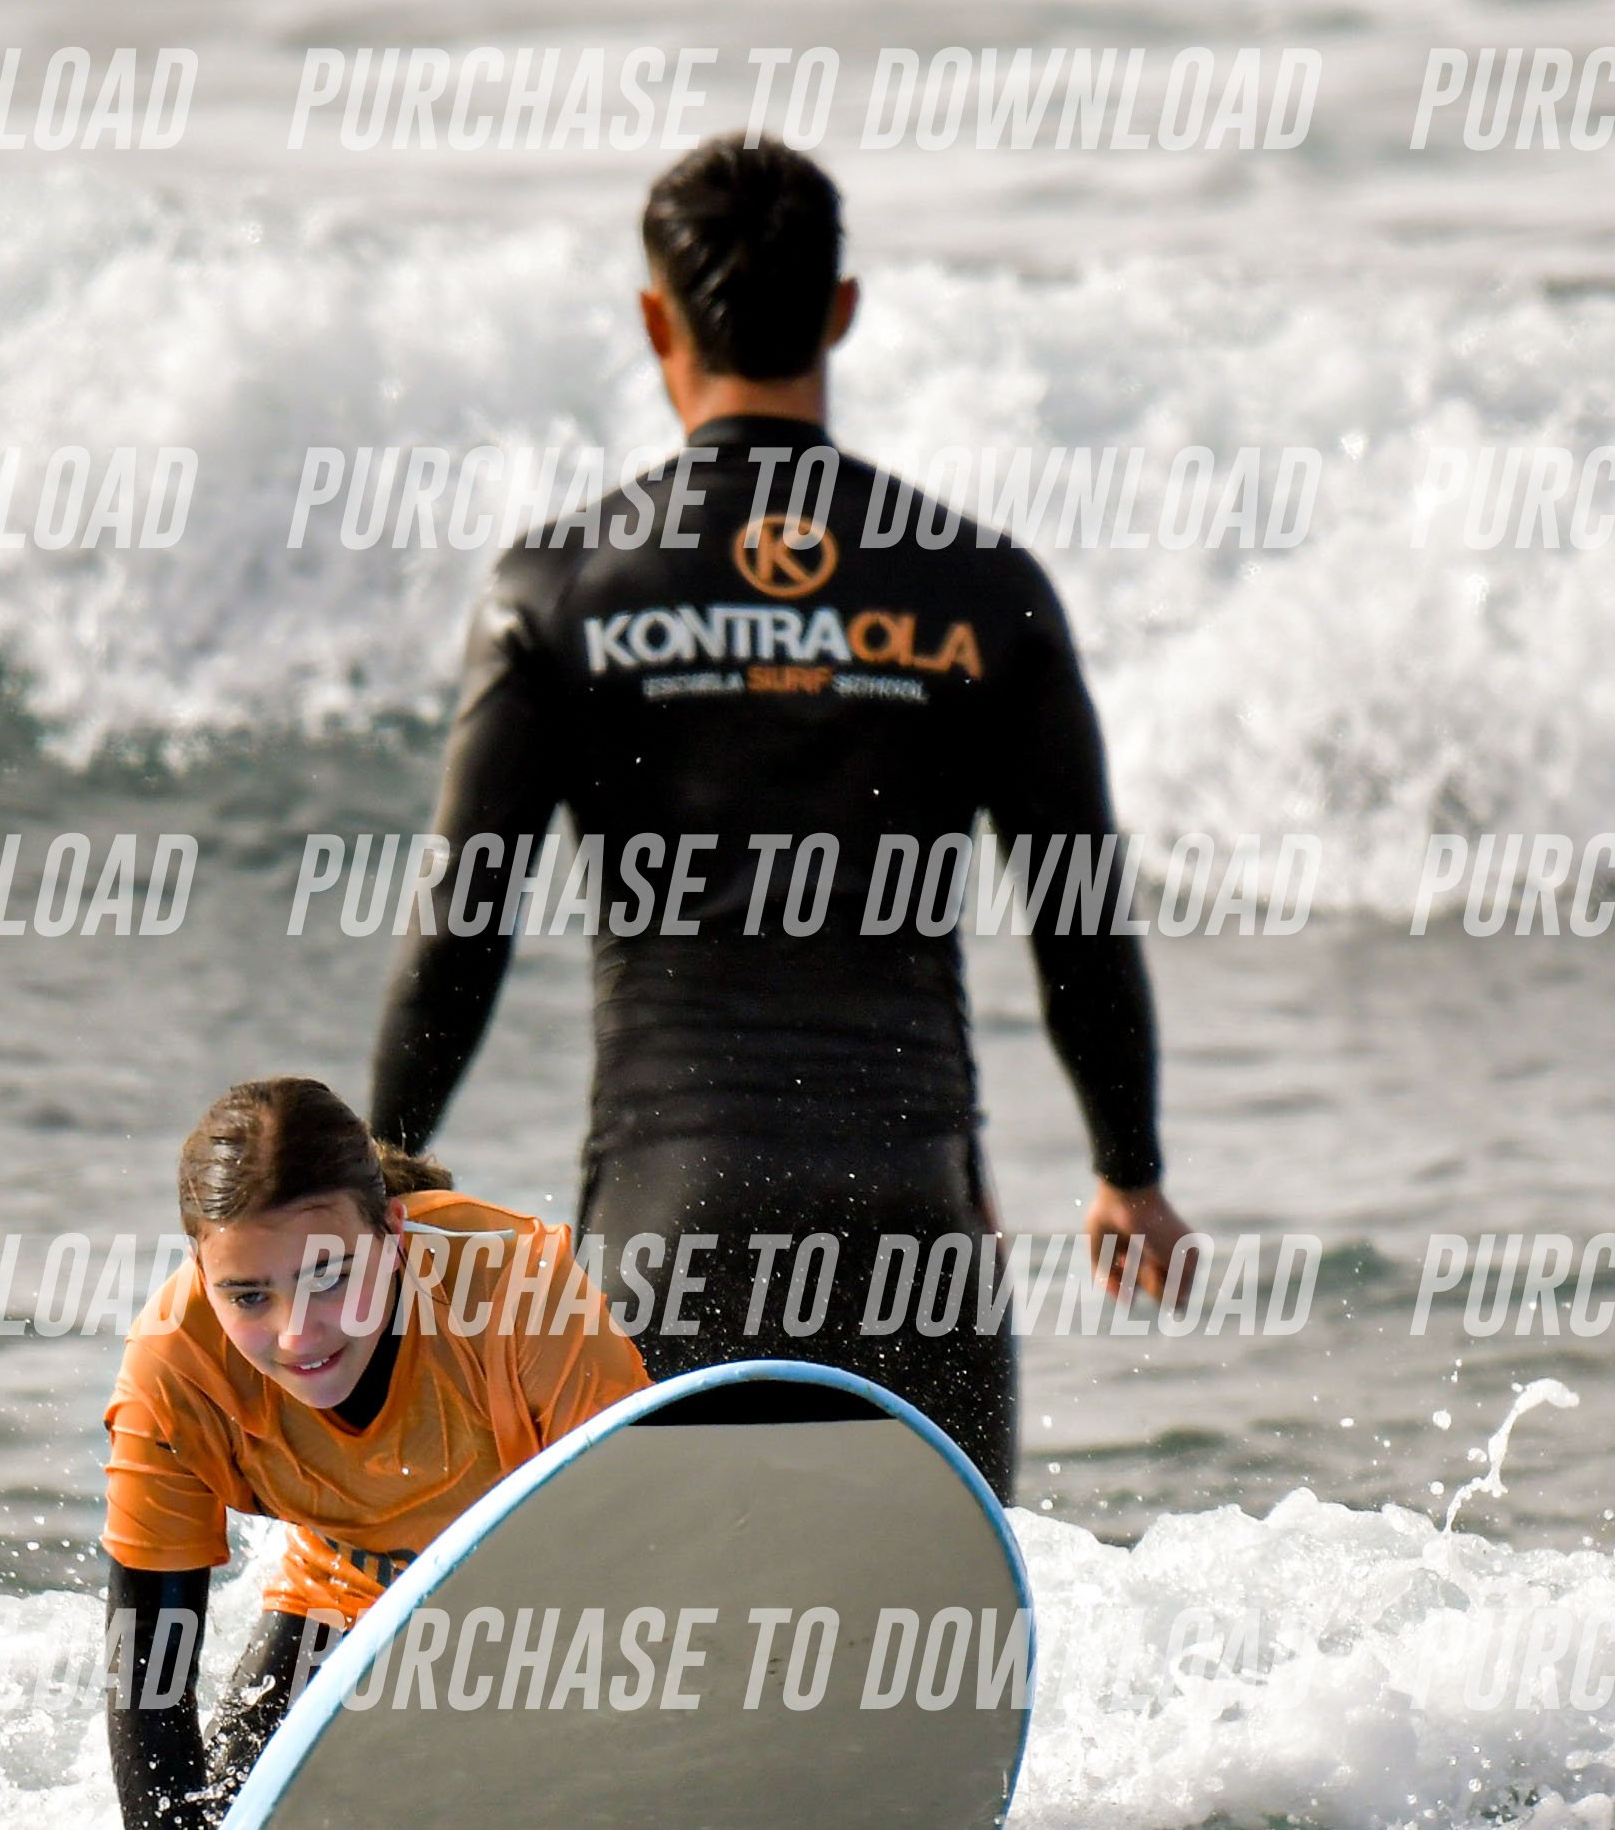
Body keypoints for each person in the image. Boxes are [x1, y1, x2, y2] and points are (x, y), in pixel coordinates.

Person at [367, 132, 1191, 1494]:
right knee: (940, 1621)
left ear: (656, 323)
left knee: (656, 1615)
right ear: (841, 309)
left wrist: (384, 1174)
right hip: (915, 1221)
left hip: (669, 1219)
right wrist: (1129, 1169)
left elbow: (467, 919)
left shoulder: (560, 588)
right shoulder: (980, 588)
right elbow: (1079, 915)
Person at [101, 1077, 649, 1830]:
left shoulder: (519, 1295)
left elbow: (646, 1554)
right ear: (201, 1273)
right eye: (249, 1295)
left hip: (546, 1610)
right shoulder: (173, 1370)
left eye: (330, 1276)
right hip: (348, 1603)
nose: (299, 1334)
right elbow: (148, 1681)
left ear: (392, 1233)